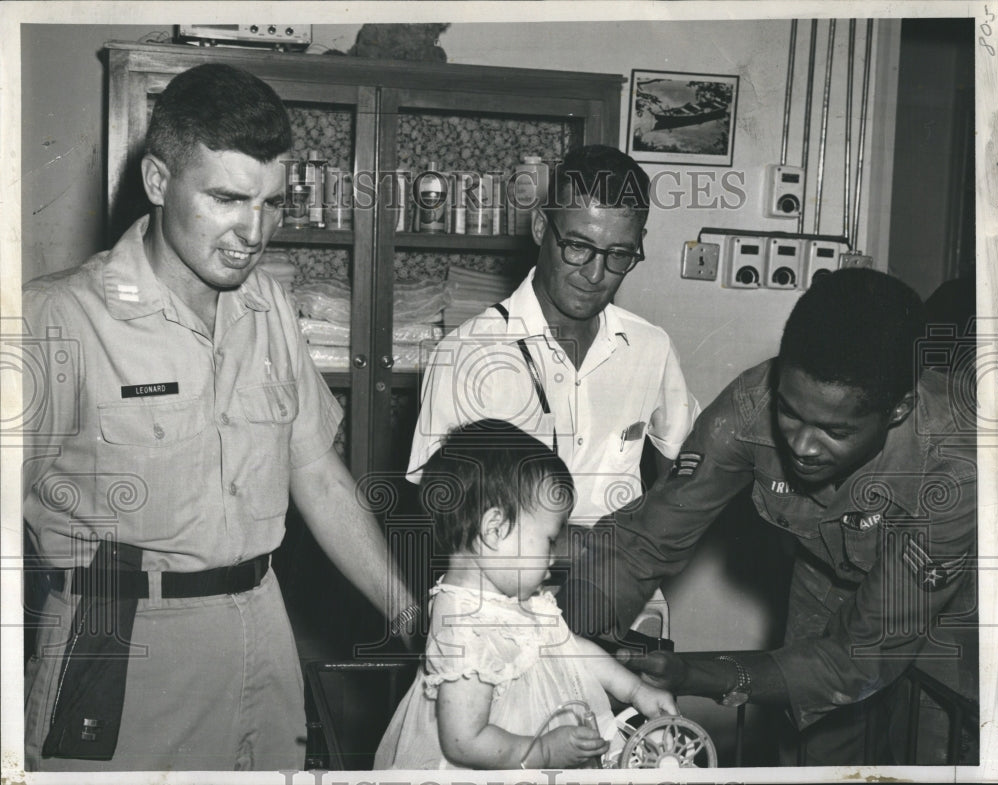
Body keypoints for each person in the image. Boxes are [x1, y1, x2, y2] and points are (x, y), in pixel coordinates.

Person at [21, 63, 416, 771]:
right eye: (228, 199)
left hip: (262, 624)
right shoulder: (59, 318)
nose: (254, 230)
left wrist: (410, 614)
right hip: (118, 633)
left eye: (271, 202)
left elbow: (316, 474)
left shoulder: (268, 309)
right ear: (155, 182)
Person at [571, 268, 978, 765]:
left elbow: (859, 658)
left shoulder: (956, 467)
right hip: (828, 573)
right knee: (812, 754)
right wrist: (561, 638)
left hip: (960, 602)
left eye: (834, 431)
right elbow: (643, 543)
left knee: (942, 751)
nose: (802, 445)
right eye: (790, 412)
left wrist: (696, 674)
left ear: (899, 409)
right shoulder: (751, 405)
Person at [407, 144, 699, 539]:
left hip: (625, 588)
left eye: (619, 254)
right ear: (542, 228)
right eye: (578, 247)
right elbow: (441, 515)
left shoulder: (650, 347)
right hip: (507, 594)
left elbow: (681, 472)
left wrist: (651, 557)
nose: (595, 274)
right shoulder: (466, 354)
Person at [374, 420, 678, 770]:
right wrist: (543, 752)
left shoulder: (516, 596)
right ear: (495, 529)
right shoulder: (461, 624)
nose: (553, 557)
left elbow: (570, 648)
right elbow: (462, 742)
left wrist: (635, 691)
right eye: (548, 541)